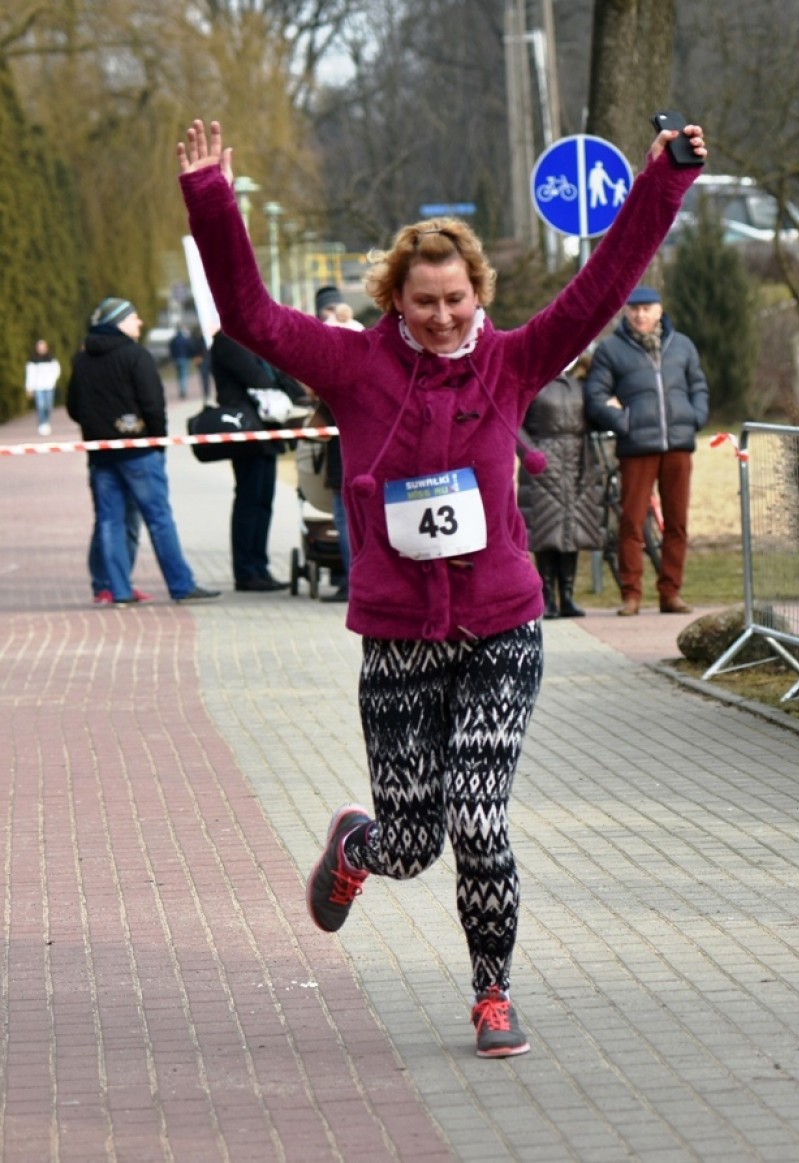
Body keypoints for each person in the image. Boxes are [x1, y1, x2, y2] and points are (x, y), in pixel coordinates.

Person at [177, 115, 707, 1057]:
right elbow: (252, 317)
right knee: (413, 844)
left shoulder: (513, 360)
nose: (443, 316)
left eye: (457, 298)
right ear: (395, 297)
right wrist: (213, 200)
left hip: (502, 628)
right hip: (400, 638)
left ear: (478, 293)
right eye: (424, 301)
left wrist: (662, 181)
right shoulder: (352, 368)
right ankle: (359, 846)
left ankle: (492, 993)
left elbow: (602, 286)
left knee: (480, 816)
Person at [66, 296, 221, 605]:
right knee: (159, 519)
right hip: (139, 452)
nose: (139, 322)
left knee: (110, 522)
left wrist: (97, 427)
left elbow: (73, 407)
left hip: (100, 454)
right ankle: (181, 585)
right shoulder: (136, 355)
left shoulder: (82, 360)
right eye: (133, 317)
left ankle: (118, 590)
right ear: (118, 322)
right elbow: (153, 404)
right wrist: (158, 444)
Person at [585, 286, 709, 617]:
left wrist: (695, 417)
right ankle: (631, 594)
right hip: (636, 447)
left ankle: (671, 592)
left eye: (647, 308)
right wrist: (623, 421)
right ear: (626, 312)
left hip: (678, 445)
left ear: (659, 311)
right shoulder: (611, 350)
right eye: (634, 309)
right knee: (632, 522)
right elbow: (595, 395)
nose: (640, 314)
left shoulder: (682, 345)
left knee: (677, 523)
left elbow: (698, 386)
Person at [211, 330, 297, 592]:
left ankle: (260, 567)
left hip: (266, 432)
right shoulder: (228, 340)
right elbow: (258, 378)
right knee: (249, 502)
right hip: (246, 431)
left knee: (263, 503)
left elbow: (278, 376)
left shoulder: (253, 342)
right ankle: (246, 571)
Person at [517, 357, 602, 618]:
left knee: (572, 531)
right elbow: (514, 423)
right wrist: (531, 453)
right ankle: (547, 598)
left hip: (577, 464)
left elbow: (595, 416)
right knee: (546, 532)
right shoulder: (533, 383)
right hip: (543, 462)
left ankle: (567, 596)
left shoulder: (581, 384)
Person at [313, 285, 353, 602]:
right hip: (367, 458)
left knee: (345, 520)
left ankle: (353, 582)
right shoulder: (362, 341)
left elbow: (319, 428)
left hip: (345, 461)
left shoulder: (334, 369)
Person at [25, 339, 61, 436]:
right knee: (40, 406)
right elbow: (30, 375)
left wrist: (52, 381)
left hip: (49, 386)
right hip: (38, 387)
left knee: (48, 406)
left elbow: (57, 371)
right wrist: (29, 387)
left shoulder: (51, 359)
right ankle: (41, 424)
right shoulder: (32, 360)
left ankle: (46, 422)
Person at [168, 325, 197, 399]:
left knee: (179, 375)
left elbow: (171, 349)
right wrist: (190, 356)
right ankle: (183, 391)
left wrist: (173, 357)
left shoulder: (174, 340)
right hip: (184, 358)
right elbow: (190, 348)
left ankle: (181, 390)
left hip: (177, 358)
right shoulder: (185, 339)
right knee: (183, 375)